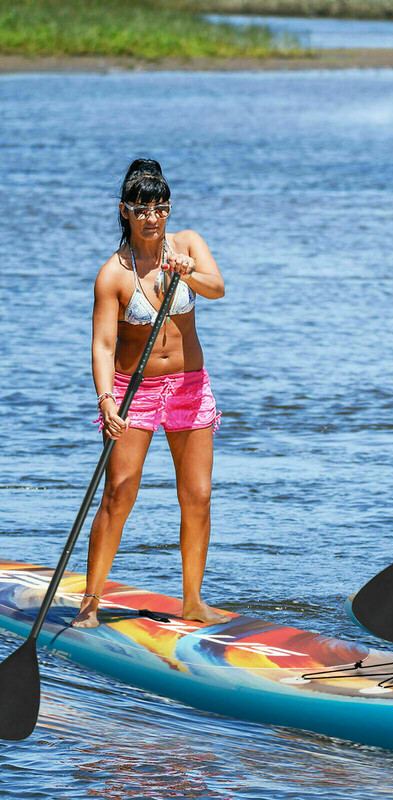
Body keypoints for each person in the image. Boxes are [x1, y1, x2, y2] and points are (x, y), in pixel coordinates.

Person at [72, 158, 228, 628]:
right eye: (142, 209)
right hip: (130, 392)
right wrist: (106, 402)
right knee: (119, 493)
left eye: (160, 208)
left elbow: (217, 288)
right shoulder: (113, 274)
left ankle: (193, 602)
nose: (152, 218)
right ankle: (90, 603)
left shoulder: (188, 245)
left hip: (189, 387)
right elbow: (102, 346)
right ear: (125, 211)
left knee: (197, 495)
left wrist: (187, 274)